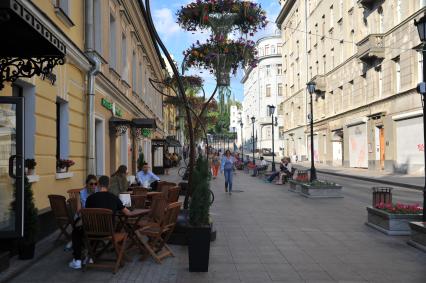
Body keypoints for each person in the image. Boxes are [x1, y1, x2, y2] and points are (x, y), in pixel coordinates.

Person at [69, 175, 133, 269]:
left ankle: (77, 260)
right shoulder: (114, 198)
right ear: (109, 185)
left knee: (76, 232)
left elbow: (87, 215)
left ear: (98, 184)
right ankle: (90, 257)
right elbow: (127, 213)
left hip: (92, 231)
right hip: (109, 231)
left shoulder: (91, 198)